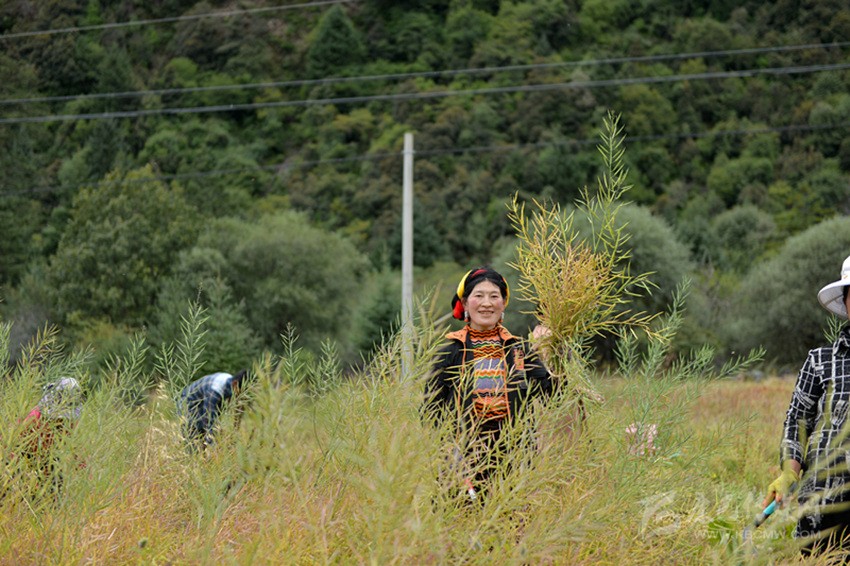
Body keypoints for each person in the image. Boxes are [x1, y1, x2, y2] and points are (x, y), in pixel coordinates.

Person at [424, 266, 556, 499]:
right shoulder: (449, 353)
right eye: (479, 295)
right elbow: (430, 412)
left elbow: (554, 397)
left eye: (494, 296)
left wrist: (554, 352)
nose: (487, 303)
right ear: (465, 303)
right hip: (463, 463)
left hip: (515, 460)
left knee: (513, 520)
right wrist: (448, 453)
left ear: (503, 304)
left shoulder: (520, 351)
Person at [764, 253, 850, 556]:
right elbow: (797, 421)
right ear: (846, 301)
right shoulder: (820, 361)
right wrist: (789, 472)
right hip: (821, 502)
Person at [7, 377, 85, 498]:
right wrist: (23, 478)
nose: (60, 422)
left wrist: (83, 470)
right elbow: (9, 446)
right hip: (20, 457)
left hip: (48, 459)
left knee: (54, 489)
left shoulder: (70, 423)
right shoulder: (34, 418)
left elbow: (72, 448)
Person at [177, 370, 249, 451]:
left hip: (201, 403)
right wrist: (213, 447)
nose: (239, 395)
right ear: (235, 384)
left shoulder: (230, 382)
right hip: (187, 403)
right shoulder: (215, 390)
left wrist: (234, 432)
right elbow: (209, 420)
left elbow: (236, 410)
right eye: (240, 391)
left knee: (206, 436)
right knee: (193, 436)